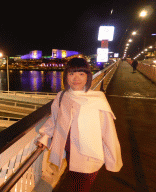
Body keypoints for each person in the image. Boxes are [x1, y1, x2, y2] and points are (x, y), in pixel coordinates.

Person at [37, 58, 123, 192]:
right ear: (66, 76)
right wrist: (44, 136)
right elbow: (54, 119)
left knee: (81, 187)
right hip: (70, 151)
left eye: (81, 74)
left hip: (90, 155)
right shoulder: (62, 96)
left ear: (88, 76)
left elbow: (109, 132)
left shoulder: (98, 99)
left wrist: (113, 159)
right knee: (75, 185)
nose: (76, 78)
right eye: (71, 74)